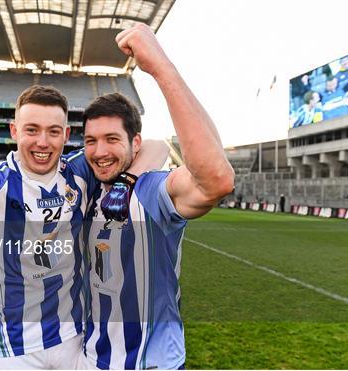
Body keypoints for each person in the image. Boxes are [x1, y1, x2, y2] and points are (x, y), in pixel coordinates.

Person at [0, 54, 166, 369]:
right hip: (13, 351)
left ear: (66, 135)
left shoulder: (79, 170)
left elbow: (156, 146)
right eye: (32, 130)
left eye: (53, 131)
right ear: (14, 131)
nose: (43, 142)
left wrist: (125, 184)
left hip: (73, 341)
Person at [77, 24, 235, 370]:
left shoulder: (150, 191)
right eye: (91, 140)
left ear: (134, 143)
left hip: (151, 363)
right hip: (91, 360)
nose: (100, 151)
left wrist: (161, 68)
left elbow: (216, 179)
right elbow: (154, 145)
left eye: (112, 139)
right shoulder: (84, 189)